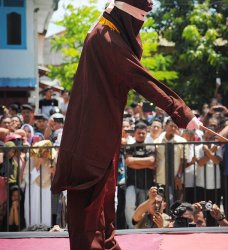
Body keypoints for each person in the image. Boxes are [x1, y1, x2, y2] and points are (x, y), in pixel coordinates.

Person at [51, 1, 201, 249]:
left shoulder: (107, 29)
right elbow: (140, 77)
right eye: (139, 19)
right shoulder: (106, 38)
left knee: (106, 196)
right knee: (90, 200)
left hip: (102, 130)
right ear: (128, 15)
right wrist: (182, 113)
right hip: (91, 135)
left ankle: (107, 244)